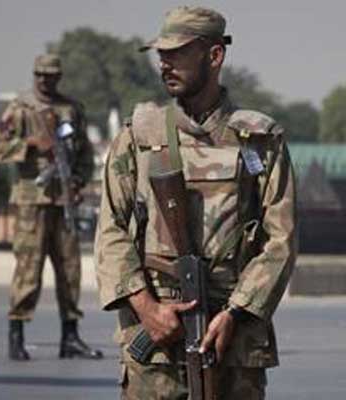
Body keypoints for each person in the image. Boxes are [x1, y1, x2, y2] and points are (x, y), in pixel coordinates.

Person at [94, 6, 297, 399]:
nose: (164, 64)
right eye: (161, 55)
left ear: (214, 55)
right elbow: (110, 229)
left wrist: (235, 313)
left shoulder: (258, 139)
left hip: (233, 339)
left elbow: (281, 240)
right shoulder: (138, 136)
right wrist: (148, 309)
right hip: (155, 340)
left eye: (177, 53)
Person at [0, 54, 102, 361]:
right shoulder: (20, 109)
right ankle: (16, 335)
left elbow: (85, 155)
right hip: (31, 201)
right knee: (28, 269)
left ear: (59, 77)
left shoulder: (71, 110)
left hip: (63, 199)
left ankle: (71, 337)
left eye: (50, 75)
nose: (44, 80)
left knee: (70, 269)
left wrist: (77, 183)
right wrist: (31, 145)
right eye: (39, 74)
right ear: (34, 75)